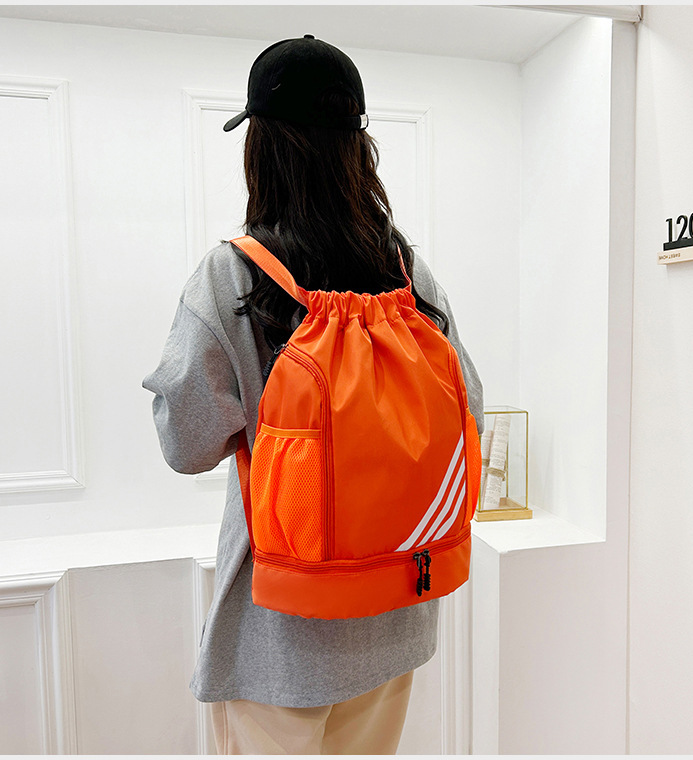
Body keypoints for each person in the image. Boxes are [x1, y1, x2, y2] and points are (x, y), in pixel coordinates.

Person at [143, 34, 484, 755]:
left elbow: (185, 444)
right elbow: (469, 406)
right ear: (359, 146)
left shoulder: (231, 276)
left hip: (282, 637)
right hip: (396, 613)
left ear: (260, 147)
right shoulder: (406, 269)